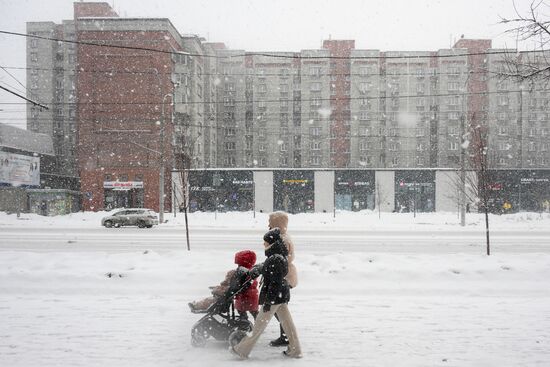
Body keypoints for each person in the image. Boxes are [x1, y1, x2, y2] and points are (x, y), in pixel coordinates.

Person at [231, 228, 302, 359]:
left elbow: (274, 283)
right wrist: (257, 269)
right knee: (287, 324)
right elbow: (267, 267)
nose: (264, 245)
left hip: (275, 297)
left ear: (272, 243)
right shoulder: (277, 256)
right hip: (280, 296)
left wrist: (269, 302)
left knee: (259, 325)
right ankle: (295, 349)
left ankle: (242, 350)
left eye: (265, 243)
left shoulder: (275, 259)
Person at [189, 250, 259, 320]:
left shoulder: (236, 273)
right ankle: (255, 323)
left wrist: (217, 289)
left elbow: (225, 284)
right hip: (251, 296)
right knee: (253, 311)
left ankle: (245, 322)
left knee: (242, 311)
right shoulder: (250, 272)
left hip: (243, 297)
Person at [267, 211, 297, 347]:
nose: (268, 225)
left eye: (271, 222)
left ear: (277, 224)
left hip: (282, 277)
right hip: (282, 277)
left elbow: (283, 258)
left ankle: (286, 336)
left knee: (278, 308)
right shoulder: (281, 237)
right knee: (280, 308)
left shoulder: (282, 239)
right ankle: (286, 335)